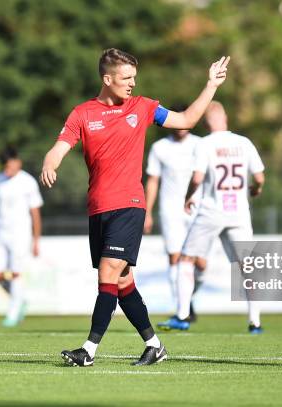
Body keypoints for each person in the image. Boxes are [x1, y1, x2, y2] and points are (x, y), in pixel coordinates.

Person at [40, 48, 230, 367]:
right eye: (126, 78)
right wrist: (50, 162)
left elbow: (186, 119)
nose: (132, 84)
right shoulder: (82, 113)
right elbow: (59, 147)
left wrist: (210, 85)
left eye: (134, 78)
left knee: (108, 272)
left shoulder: (143, 107)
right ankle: (154, 345)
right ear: (107, 78)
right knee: (124, 281)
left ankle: (88, 350)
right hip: (99, 208)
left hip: (129, 204)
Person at [158, 101, 265, 333]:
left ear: (204, 123)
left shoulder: (205, 144)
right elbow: (259, 177)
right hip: (238, 212)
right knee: (247, 266)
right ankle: (255, 322)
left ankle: (183, 315)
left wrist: (188, 197)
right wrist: (255, 189)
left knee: (185, 260)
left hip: (211, 210)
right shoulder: (243, 142)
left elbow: (197, 178)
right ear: (225, 117)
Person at [144, 115, 207, 323]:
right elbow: (153, 181)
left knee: (201, 264)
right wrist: (147, 212)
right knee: (175, 257)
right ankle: (183, 309)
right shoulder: (159, 147)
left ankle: (188, 297)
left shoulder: (200, 144)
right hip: (170, 209)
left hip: (198, 208)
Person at [0, 147, 43, 327]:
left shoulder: (28, 182)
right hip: (0, 232)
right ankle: (19, 299)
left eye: (10, 165)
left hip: (20, 233)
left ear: (17, 163)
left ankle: (13, 312)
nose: (7, 169)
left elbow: (35, 213)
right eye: (4, 166)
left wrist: (36, 240)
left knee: (15, 273)